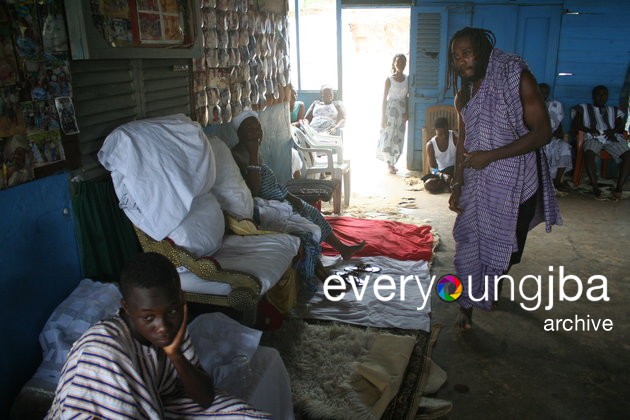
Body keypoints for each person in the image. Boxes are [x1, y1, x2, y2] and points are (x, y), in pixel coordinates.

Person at [46, 252, 270, 419]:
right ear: (126, 308)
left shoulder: (172, 330)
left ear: (181, 300)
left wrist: (176, 355)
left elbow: (204, 398)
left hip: (157, 405)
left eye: (171, 311)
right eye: (148, 317)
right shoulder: (102, 351)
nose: (162, 326)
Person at [446, 27, 561, 330]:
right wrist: (457, 183)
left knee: (506, 248)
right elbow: (464, 141)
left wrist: (492, 156)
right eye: (456, 57)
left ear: (482, 50)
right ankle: (466, 305)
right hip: (477, 183)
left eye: (467, 53)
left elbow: (543, 133)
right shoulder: (464, 95)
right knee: (469, 241)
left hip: (517, 183)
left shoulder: (516, 79)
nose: (461, 62)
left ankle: (493, 280)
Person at [230, 110, 365, 284]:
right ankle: (319, 271)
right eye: (250, 129)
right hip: (267, 206)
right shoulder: (238, 155)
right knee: (306, 230)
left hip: (280, 196)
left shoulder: (254, 149)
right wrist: (254, 155)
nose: (256, 133)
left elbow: (271, 183)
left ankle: (342, 249)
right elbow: (253, 190)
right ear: (239, 133)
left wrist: (292, 198)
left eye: (258, 128)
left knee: (312, 213)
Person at [570, 84, 630, 200]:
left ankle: (619, 188)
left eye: (604, 95)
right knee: (589, 154)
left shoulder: (613, 110)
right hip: (594, 136)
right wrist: (589, 129)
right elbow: (575, 125)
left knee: (628, 155)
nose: (602, 97)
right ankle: (595, 187)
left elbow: (620, 124)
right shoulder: (584, 108)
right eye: (599, 94)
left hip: (611, 137)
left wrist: (613, 131)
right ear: (594, 96)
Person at [377, 53, 409, 174]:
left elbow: (407, 97)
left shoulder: (407, 79)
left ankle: (394, 162)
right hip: (390, 112)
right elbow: (384, 99)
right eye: (398, 62)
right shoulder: (389, 80)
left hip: (401, 112)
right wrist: (382, 117)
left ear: (405, 64)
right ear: (394, 64)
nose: (400, 64)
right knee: (388, 136)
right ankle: (389, 164)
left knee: (399, 137)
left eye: (403, 62)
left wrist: (407, 113)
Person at [539, 82, 572, 192]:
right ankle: (540, 182)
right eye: (540, 91)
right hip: (535, 140)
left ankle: (557, 181)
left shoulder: (554, 106)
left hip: (551, 138)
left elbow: (558, 126)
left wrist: (558, 132)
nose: (543, 94)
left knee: (565, 147)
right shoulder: (528, 105)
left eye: (545, 92)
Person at [422, 117, 457, 194]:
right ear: (435, 131)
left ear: (448, 128)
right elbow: (432, 168)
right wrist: (442, 175)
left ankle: (449, 186)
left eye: (446, 133)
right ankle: (449, 187)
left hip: (456, 170)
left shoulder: (455, 138)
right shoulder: (430, 145)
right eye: (440, 134)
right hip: (442, 173)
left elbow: (463, 159)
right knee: (428, 184)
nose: (444, 136)